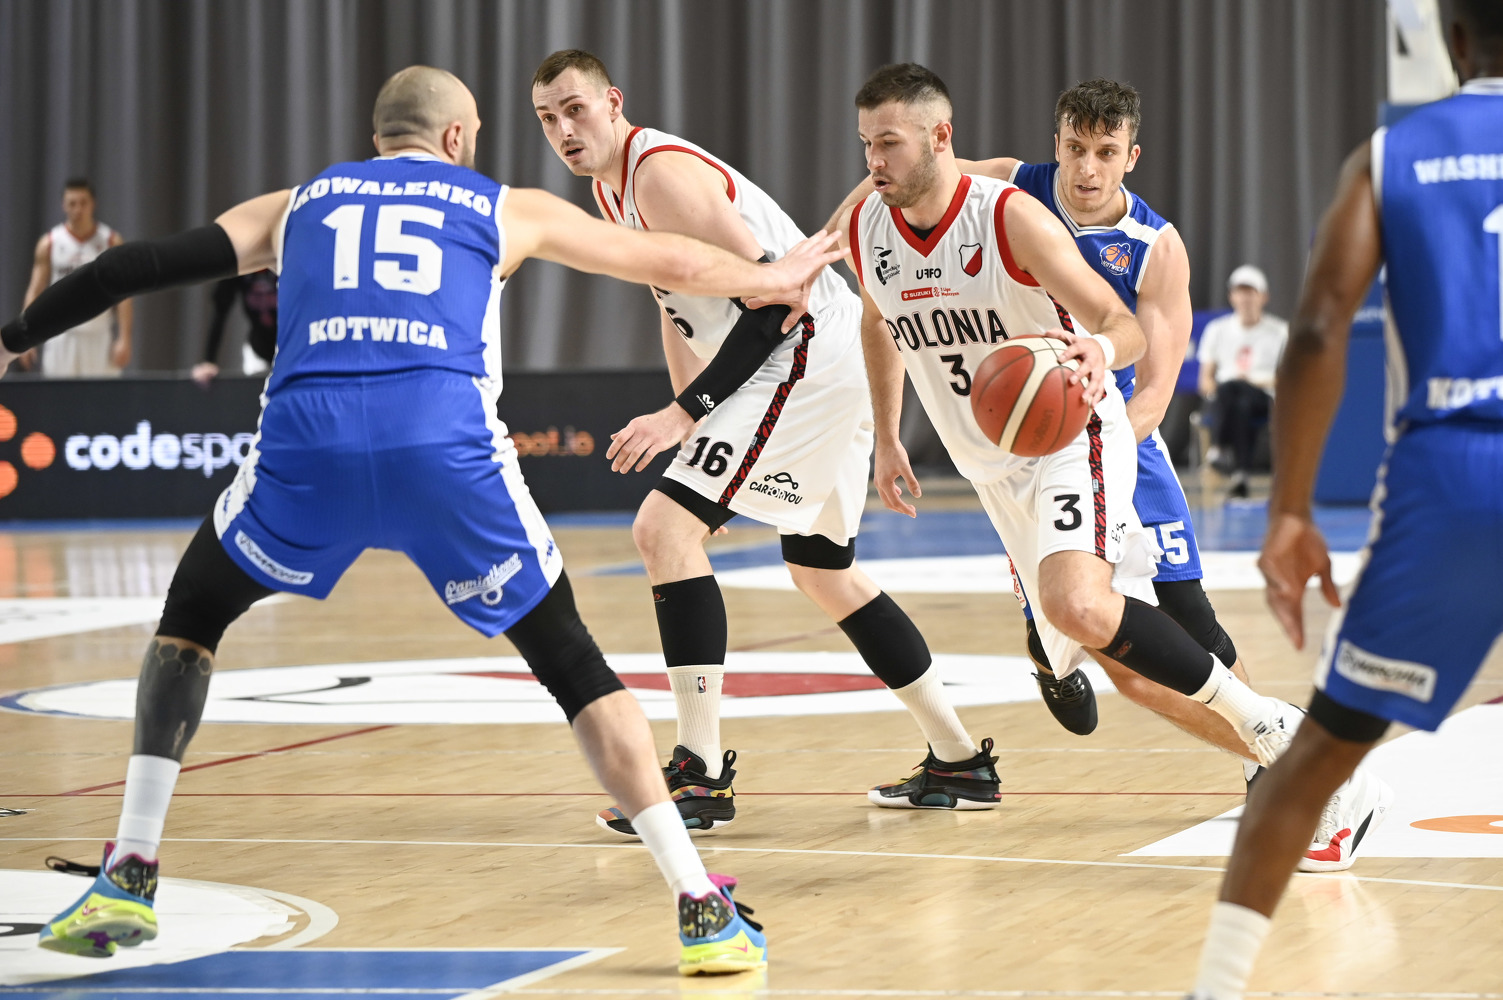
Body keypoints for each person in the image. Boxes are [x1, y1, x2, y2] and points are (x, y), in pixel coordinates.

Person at [1, 65, 847, 975]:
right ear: (456, 139)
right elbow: (668, 261)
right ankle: (696, 905)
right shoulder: (502, 206)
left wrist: (14, 340)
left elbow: (135, 267)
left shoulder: (298, 204)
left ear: (377, 141)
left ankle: (129, 871)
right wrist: (773, 274)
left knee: (192, 616)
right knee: (570, 662)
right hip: (443, 451)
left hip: (308, 447)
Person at [832, 62, 1385, 855]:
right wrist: (887, 433)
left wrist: (1104, 405)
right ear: (1055, 145)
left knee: (1153, 611)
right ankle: (1068, 657)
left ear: (1130, 155)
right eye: (1073, 149)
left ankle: (1285, 753)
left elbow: (1144, 362)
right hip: (1003, 461)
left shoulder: (1115, 238)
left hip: (1098, 429)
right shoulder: (948, 198)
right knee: (1123, 664)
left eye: (1104, 153)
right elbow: (881, 296)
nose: (1086, 169)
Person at [530, 49, 1000, 835]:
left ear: (612, 102)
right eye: (548, 118)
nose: (563, 129)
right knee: (822, 570)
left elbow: (777, 301)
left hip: (804, 352)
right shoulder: (612, 188)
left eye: (575, 109)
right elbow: (679, 304)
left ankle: (699, 774)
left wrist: (687, 415)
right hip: (815, 359)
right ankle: (958, 759)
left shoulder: (658, 174)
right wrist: (692, 418)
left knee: (662, 531)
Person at [1186, 1, 1500, 995]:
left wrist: (1289, 511)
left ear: (1450, 39)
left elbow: (1320, 326)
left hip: (1454, 471)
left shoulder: (1394, 153)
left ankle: (1215, 986)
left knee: (1319, 756)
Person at [20, 178, 132, 376]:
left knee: (102, 394)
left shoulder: (111, 241)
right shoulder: (50, 243)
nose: (78, 209)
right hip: (60, 336)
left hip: (99, 335)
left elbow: (124, 294)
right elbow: (35, 290)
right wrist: (25, 337)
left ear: (93, 204)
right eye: (72, 203)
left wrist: (124, 338)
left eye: (83, 203)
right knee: (58, 394)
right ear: (63, 205)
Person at [1196, 265, 1288, 498]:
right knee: (1238, 401)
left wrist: (1253, 382)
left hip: (1263, 394)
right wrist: (1218, 389)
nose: (1245, 298)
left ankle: (1218, 449)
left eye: (1251, 292)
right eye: (1240, 292)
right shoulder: (1217, 329)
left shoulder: (1280, 331)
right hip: (1226, 398)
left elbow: (1287, 380)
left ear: (1263, 297)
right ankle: (1241, 476)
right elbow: (1205, 380)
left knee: (1238, 391)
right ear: (1231, 296)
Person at [192, 270, 278, 385]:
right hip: (258, 350)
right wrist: (209, 360)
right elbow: (221, 310)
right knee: (256, 391)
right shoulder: (242, 269)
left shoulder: (287, 265)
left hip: (290, 349)